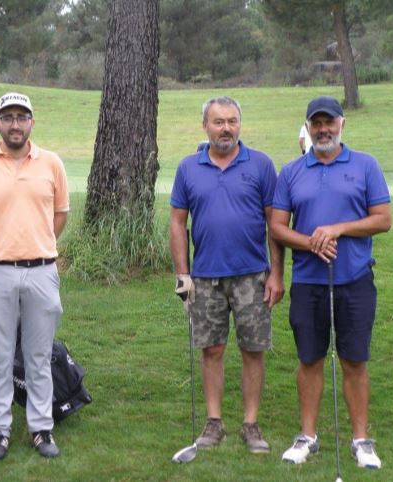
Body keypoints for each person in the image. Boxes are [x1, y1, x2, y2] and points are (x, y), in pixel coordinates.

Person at [270, 96, 392, 469]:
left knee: (355, 360)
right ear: (307, 127)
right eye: (316, 123)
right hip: (309, 281)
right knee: (310, 359)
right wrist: (310, 242)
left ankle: (360, 440)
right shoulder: (291, 172)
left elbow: (383, 219)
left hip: (354, 280)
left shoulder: (365, 165)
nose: (323, 129)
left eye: (330, 122)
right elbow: (276, 226)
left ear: (342, 124)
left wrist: (337, 229)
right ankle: (308, 436)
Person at [169, 96, 285, 455]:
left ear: (240, 124)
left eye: (232, 121)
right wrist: (182, 276)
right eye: (218, 122)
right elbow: (177, 224)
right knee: (212, 349)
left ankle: (250, 424)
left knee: (253, 350)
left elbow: (276, 225)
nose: (226, 128)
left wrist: (276, 274)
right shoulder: (188, 168)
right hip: (204, 277)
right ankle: (214, 422)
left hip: (252, 275)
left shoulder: (261, 165)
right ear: (205, 126)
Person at [0, 92, 70, 460]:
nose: (14, 124)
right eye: (7, 117)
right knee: (0, 356)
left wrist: (37, 245)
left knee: (39, 356)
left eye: (21, 117)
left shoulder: (51, 163)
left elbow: (59, 216)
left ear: (31, 123)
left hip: (41, 270)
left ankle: (41, 428)